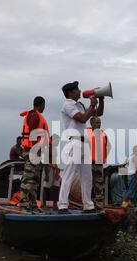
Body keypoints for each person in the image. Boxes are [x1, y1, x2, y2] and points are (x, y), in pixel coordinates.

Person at [57, 81, 104, 214]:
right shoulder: (67, 105)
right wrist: (92, 104)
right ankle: (62, 205)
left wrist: (101, 100)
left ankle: (88, 205)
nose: (79, 91)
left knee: (87, 177)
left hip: (84, 143)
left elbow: (97, 113)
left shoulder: (80, 105)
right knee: (69, 174)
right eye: (77, 89)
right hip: (75, 142)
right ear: (70, 92)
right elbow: (83, 119)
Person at [18, 96, 50, 213]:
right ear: (41, 104)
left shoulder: (35, 115)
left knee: (34, 179)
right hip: (32, 151)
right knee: (29, 177)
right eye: (44, 105)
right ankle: (23, 203)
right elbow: (32, 133)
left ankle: (32, 203)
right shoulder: (34, 116)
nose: (44, 108)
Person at [87, 116, 110, 213]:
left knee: (99, 185)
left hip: (99, 164)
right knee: (87, 184)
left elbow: (108, 147)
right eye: (97, 123)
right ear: (92, 124)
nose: (99, 124)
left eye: (100, 122)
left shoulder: (103, 134)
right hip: (88, 163)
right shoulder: (86, 133)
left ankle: (99, 207)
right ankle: (88, 205)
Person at [43, 134, 61, 209]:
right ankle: (44, 204)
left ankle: (55, 204)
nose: (58, 142)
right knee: (47, 187)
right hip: (49, 168)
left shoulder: (55, 149)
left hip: (55, 169)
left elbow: (55, 161)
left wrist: (57, 171)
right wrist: (46, 174)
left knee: (56, 186)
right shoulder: (47, 149)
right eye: (57, 141)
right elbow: (45, 162)